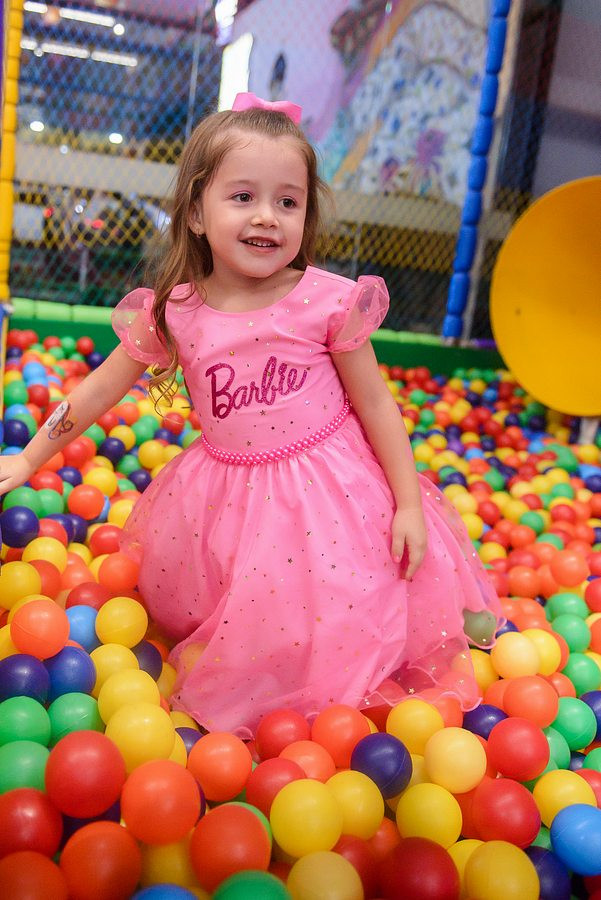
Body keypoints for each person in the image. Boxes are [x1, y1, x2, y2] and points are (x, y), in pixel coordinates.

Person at [0, 93, 501, 736]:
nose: (267, 216)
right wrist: (29, 457)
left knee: (349, 599)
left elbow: (376, 403)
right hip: (226, 500)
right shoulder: (177, 310)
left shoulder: (326, 303)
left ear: (306, 216)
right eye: (243, 197)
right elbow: (99, 392)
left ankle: (396, 653)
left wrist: (407, 503)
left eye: (288, 202)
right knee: (250, 614)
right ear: (196, 213)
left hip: (333, 496)